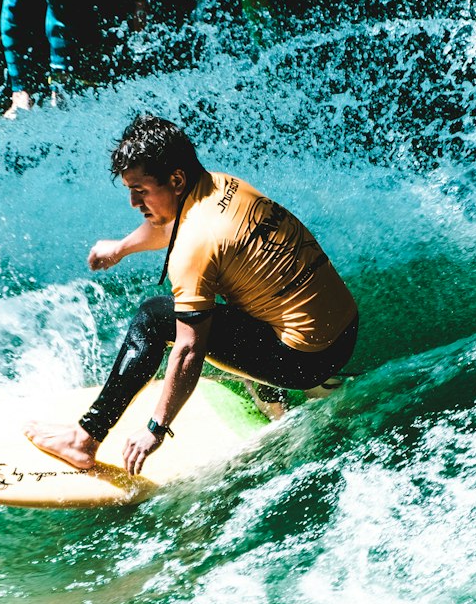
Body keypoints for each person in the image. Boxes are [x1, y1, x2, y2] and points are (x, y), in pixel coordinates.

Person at [25, 115, 360, 474]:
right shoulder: (225, 186)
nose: (133, 201)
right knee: (235, 295)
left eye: (140, 190)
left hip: (304, 360)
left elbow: (189, 349)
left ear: (176, 179)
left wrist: (156, 427)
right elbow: (177, 225)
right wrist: (122, 247)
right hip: (344, 332)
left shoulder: (193, 248)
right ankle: (293, 390)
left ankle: (83, 439)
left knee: (156, 317)